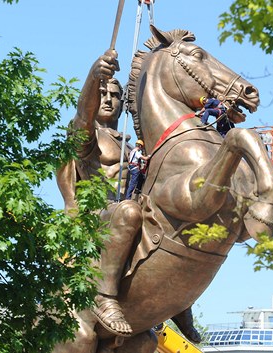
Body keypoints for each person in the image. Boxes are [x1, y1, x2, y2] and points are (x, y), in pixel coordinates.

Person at [56, 50, 201, 342]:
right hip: (97, 216)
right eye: (102, 93)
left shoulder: (133, 141)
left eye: (114, 94)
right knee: (128, 212)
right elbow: (83, 115)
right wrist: (93, 77)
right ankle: (104, 296)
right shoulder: (85, 138)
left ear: (124, 103)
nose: (108, 98)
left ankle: (179, 301)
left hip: (130, 211)